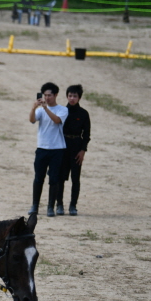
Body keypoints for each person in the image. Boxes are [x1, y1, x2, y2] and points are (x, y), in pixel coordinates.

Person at [29, 81, 68, 217]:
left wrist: (46, 108)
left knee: (54, 179)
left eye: (49, 95)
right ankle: (35, 205)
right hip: (42, 148)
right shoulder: (40, 110)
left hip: (57, 149)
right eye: (45, 95)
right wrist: (34, 108)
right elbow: (32, 120)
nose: (47, 98)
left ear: (56, 95)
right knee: (38, 177)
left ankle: (51, 206)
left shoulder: (63, 109)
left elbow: (57, 121)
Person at [57, 84, 90, 216]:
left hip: (76, 147)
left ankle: (73, 206)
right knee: (60, 178)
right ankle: (59, 204)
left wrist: (83, 150)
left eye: (75, 96)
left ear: (79, 98)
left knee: (75, 178)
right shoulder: (62, 111)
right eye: (70, 95)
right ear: (66, 96)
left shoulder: (83, 114)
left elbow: (86, 134)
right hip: (62, 146)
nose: (72, 98)